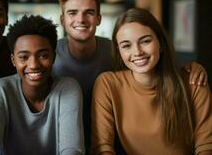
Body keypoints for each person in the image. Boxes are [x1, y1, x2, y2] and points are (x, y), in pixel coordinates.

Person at [52, 0, 208, 151]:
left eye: (89, 12)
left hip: (116, 141)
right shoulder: (49, 58)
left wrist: (191, 69)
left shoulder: (114, 51)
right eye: (72, 13)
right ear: (62, 19)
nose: (80, 19)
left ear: (98, 18)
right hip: (65, 142)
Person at [91, 8, 212, 155]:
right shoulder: (108, 84)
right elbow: (102, 147)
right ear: (119, 51)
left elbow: (206, 146)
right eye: (126, 45)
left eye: (145, 41)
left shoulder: (194, 81)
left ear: (160, 43)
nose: (137, 52)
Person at [0, 15, 84, 155]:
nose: (33, 65)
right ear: (13, 60)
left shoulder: (68, 88)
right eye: (23, 57)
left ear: (54, 57)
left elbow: (72, 150)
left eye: (43, 55)